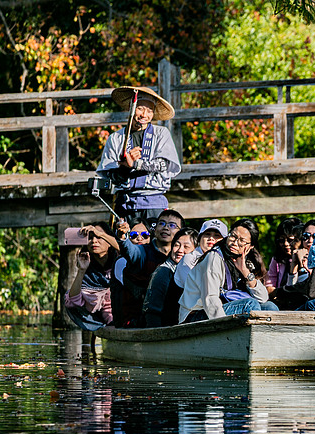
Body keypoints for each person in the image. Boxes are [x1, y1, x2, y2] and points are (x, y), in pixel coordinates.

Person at [96, 86, 180, 220]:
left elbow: (163, 165)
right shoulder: (116, 138)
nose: (144, 115)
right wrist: (124, 167)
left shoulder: (161, 134)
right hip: (125, 203)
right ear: (131, 107)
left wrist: (136, 164)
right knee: (123, 240)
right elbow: (109, 174)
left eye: (149, 110)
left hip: (154, 202)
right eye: (140, 108)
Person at [179, 218, 278, 323]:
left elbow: (263, 298)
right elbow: (210, 299)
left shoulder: (244, 261)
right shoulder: (214, 257)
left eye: (242, 241)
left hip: (223, 307)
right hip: (196, 315)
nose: (235, 243)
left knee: (270, 307)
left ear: (250, 246)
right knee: (250, 305)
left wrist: (245, 272)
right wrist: (223, 329)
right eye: (233, 236)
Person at [115, 209, 185, 327]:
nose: (166, 228)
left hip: (174, 318)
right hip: (140, 322)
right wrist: (122, 237)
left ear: (180, 232)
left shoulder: (183, 255)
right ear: (155, 229)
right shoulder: (142, 252)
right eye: (161, 223)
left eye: (172, 225)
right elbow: (130, 250)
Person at [64, 222, 119, 331]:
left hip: (121, 308)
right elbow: (73, 301)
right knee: (68, 298)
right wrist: (82, 270)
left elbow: (126, 248)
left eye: (99, 237)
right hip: (99, 313)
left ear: (109, 241)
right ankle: (101, 327)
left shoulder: (119, 259)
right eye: (90, 238)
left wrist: (101, 234)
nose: (94, 241)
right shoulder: (88, 265)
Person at [142, 227, 198, 327]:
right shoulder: (164, 271)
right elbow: (152, 310)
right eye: (177, 245)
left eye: (186, 247)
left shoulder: (197, 271)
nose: (180, 250)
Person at [272, 218, 315, 310]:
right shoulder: (298, 255)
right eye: (306, 236)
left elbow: (312, 291)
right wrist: (294, 264)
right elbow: (291, 290)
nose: (310, 240)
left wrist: (304, 267)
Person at [173, 218, 228, 291]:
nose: (211, 238)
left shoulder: (226, 260)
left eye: (217, 235)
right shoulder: (189, 259)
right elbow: (194, 290)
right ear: (200, 238)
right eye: (207, 234)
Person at [265, 217, 301, 299]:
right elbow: (269, 286)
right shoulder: (276, 259)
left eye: (290, 240)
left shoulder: (306, 259)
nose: (286, 244)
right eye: (281, 240)